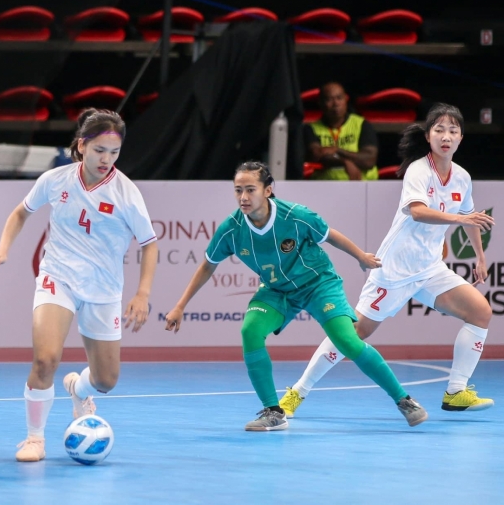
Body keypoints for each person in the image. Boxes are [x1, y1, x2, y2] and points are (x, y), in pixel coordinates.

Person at [164, 161, 427, 431]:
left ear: (268, 190)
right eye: (238, 190)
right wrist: (180, 305)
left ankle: (404, 400)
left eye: (250, 190)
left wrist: (361, 257)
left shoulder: (295, 216)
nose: (243, 197)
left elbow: (330, 235)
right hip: (277, 290)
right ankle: (273, 412)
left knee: (348, 341)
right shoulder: (231, 229)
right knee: (250, 331)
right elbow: (208, 264)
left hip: (318, 284)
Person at [280, 103, 495, 417]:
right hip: (394, 268)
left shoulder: (462, 177)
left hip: (430, 267)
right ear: (428, 136)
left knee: (480, 312)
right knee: (354, 333)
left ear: (461, 138)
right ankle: (297, 393)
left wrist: (480, 256)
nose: (446, 136)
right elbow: (418, 211)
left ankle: (456, 392)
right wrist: (460, 220)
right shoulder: (419, 170)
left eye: (452, 130)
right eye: (439, 130)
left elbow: (470, 217)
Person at [0, 108, 158, 462]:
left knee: (107, 380)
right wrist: (3, 250)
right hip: (57, 277)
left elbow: (149, 243)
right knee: (45, 359)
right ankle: (34, 438)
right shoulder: (56, 180)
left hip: (103, 290)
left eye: (114, 153)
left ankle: (78, 388)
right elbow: (21, 212)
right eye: (99, 151)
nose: (107, 160)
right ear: (82, 146)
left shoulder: (127, 193)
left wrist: (142, 293)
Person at [305, 81, 379, 180]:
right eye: (329, 99)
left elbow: (369, 160)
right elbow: (317, 156)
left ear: (346, 100)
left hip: (361, 187)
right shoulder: (311, 129)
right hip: (325, 188)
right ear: (320, 103)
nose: (335, 103)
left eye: (339, 98)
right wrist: (344, 162)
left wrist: (336, 150)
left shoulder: (362, 125)